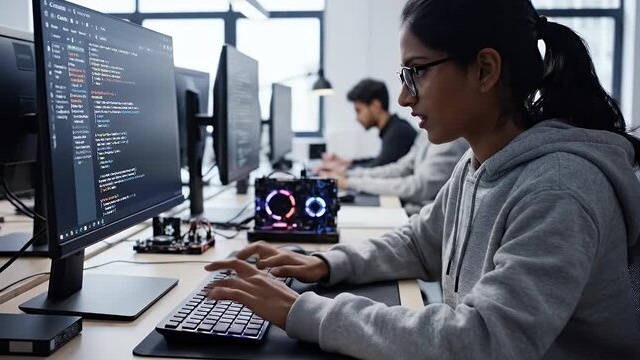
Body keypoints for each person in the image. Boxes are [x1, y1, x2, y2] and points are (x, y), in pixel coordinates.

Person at [204, 0, 640, 358]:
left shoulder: (558, 189)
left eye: (418, 71)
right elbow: (419, 242)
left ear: (485, 70)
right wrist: (326, 264)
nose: (403, 97)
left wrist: (304, 311)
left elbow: (482, 341)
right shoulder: (477, 164)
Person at [320, 133, 468, 215]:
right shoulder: (426, 134)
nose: (404, 101)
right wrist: (349, 175)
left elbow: (417, 188)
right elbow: (399, 168)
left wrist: (350, 182)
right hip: (415, 213)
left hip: (426, 218)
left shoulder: (450, 141)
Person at [321, 79, 417, 170]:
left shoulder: (397, 133)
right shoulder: (394, 127)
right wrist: (348, 163)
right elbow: (379, 161)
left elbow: (380, 169)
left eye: (359, 111)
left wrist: (344, 169)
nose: (357, 118)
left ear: (375, 106)